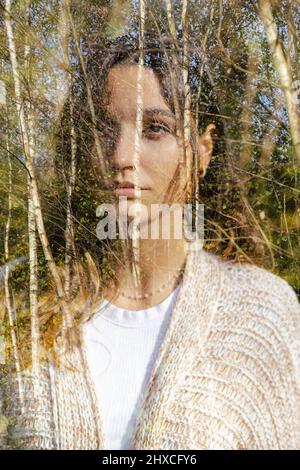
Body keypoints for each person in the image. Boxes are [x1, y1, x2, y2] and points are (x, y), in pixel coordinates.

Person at [1, 32, 300, 451]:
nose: (122, 155)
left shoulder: (261, 311)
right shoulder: (16, 301)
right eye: (104, 128)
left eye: (155, 129)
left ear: (202, 150)